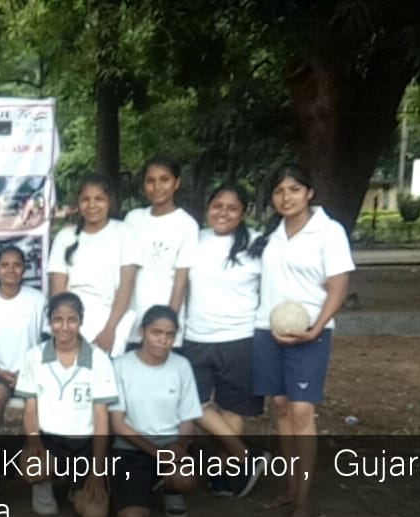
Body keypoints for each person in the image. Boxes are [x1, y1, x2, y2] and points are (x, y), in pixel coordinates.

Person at [250, 164, 355, 517]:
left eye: (294, 189)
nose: (286, 197)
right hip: (268, 330)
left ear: (309, 192)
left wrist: (316, 329)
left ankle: (304, 501)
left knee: (301, 412)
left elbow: (338, 286)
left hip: (310, 333)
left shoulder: (328, 231)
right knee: (281, 409)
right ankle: (291, 489)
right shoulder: (272, 234)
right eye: (279, 191)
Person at [182, 185, 267, 497]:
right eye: (217, 205)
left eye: (232, 208)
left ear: (243, 213)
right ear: (208, 208)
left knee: (232, 408)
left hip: (240, 338)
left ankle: (225, 474)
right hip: (196, 335)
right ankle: (244, 456)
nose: (223, 213)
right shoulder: (194, 240)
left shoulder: (259, 243)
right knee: (192, 404)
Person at [15, 293, 118, 517]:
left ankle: (75, 489)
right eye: (57, 319)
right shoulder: (34, 356)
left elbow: (101, 417)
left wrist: (97, 470)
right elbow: (30, 410)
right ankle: (43, 485)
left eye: (72, 320)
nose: (64, 327)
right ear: (49, 322)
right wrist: (35, 443)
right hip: (48, 440)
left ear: (81, 321)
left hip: (84, 445)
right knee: (34, 468)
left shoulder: (99, 359)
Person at [109, 306, 203, 517]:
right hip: (132, 448)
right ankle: (144, 487)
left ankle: (170, 489)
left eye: (170, 334)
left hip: (170, 445)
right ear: (142, 332)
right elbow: (118, 424)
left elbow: (187, 417)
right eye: (156, 333)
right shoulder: (121, 365)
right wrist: (157, 453)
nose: (163, 340)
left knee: (184, 479)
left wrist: (180, 446)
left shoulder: (181, 366)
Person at [47, 174, 140, 357]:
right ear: (78, 203)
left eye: (99, 199)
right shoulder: (65, 236)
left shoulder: (125, 233)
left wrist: (109, 330)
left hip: (112, 321)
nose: (92, 205)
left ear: (109, 201)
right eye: (85, 199)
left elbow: (126, 287)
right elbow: (58, 290)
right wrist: (70, 331)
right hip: (72, 323)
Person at [0, 244, 47, 438]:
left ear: (24, 269)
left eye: (16, 265)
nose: (10, 270)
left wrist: (28, 371)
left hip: (32, 371)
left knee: (38, 407)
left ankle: (33, 450)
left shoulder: (38, 300)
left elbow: (47, 341)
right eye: (5, 265)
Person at [123, 157, 197, 347]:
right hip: (131, 324)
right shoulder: (133, 219)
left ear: (177, 183)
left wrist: (167, 326)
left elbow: (180, 283)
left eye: (164, 180)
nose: (157, 187)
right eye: (150, 180)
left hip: (164, 327)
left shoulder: (187, 225)